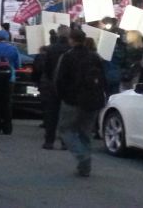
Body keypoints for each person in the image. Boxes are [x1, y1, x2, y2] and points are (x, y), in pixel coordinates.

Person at [56, 30, 107, 177]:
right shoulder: (94, 57)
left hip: (73, 99)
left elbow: (60, 79)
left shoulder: (68, 56)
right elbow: (103, 78)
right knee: (85, 132)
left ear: (71, 40)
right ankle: (84, 166)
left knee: (66, 130)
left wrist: (62, 96)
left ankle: (82, 157)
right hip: (93, 99)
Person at [41, 25, 71, 150]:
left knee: (52, 114)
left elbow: (46, 68)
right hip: (68, 86)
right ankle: (65, 141)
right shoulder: (71, 49)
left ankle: (49, 141)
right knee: (66, 115)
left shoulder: (51, 49)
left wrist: (50, 79)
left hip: (53, 85)